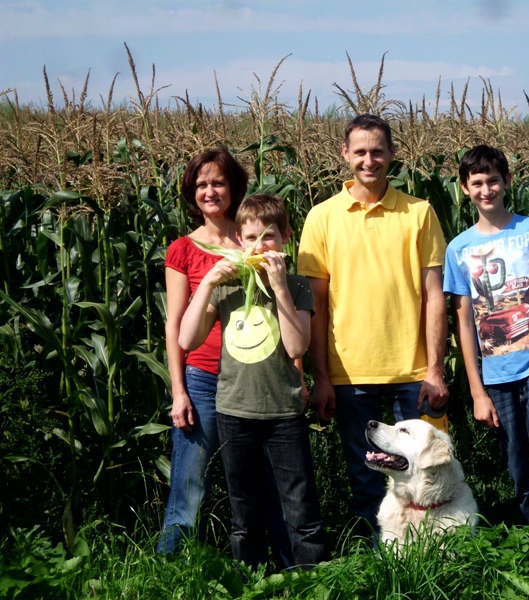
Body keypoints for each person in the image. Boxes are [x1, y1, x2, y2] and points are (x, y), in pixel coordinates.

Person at [297, 114, 449, 536]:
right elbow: (316, 305)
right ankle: (375, 566)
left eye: (378, 151)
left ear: (393, 154)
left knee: (428, 476)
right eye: (360, 152)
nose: (369, 160)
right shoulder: (322, 217)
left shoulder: (419, 212)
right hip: (350, 373)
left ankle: (437, 557)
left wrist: (435, 370)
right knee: (365, 479)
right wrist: (321, 376)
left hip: (413, 372)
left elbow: (435, 294)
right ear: (345, 154)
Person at [179, 194, 329, 569]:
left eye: (268, 237)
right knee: (243, 513)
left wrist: (278, 287)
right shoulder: (229, 287)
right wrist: (209, 282)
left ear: (285, 238)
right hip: (234, 410)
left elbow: (297, 345)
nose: (259, 246)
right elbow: (187, 340)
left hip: (284, 412)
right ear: (238, 241)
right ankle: (247, 584)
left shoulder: (296, 287)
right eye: (250, 238)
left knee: (300, 509)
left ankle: (310, 584)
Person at [158, 148, 292, 566]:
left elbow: (285, 310)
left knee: (270, 483)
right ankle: (170, 569)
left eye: (218, 183)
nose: (210, 192)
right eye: (201, 185)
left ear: (234, 187)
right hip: (202, 378)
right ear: (191, 192)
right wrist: (178, 391)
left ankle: (285, 570)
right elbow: (175, 325)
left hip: (259, 382)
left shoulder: (257, 238)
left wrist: (298, 377)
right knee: (191, 483)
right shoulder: (183, 249)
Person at [443, 145, 529, 538]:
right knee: (519, 472)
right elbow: (464, 321)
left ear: (507, 182)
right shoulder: (458, 249)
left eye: (494, 181)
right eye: (478, 183)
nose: (487, 190)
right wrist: (476, 391)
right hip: (497, 376)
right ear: (464, 189)